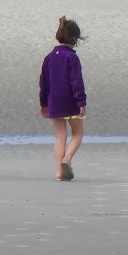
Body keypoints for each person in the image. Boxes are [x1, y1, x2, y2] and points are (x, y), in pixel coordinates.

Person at [39, 17, 87, 181]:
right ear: (74, 39)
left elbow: (43, 83)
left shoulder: (49, 58)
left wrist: (44, 103)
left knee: (60, 136)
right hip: (71, 102)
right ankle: (67, 160)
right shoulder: (72, 58)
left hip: (54, 102)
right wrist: (81, 102)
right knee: (78, 133)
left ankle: (60, 172)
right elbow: (76, 82)